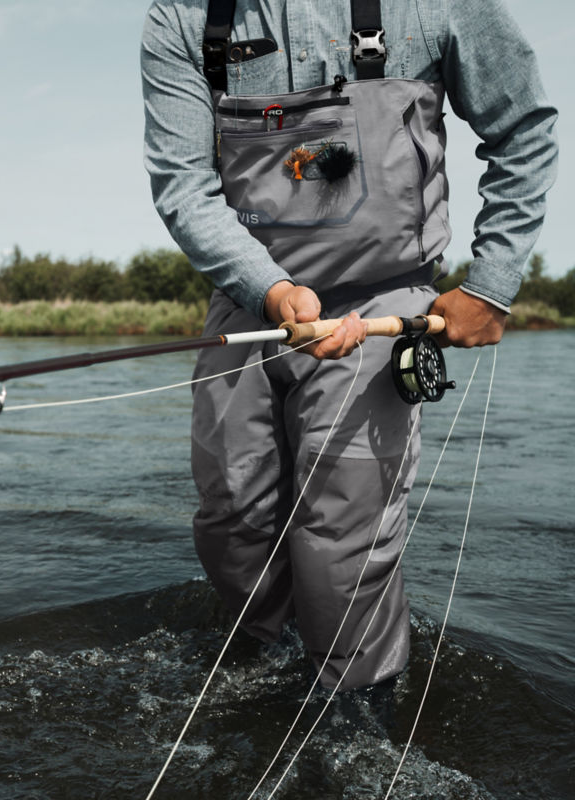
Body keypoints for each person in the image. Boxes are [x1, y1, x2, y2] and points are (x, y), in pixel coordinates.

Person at [141, 0, 558, 690]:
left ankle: (356, 710)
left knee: (341, 539)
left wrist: (491, 282)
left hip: (385, 297)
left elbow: (523, 130)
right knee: (232, 516)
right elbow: (184, 185)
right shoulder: (179, 17)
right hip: (251, 301)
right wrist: (269, 289)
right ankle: (258, 671)